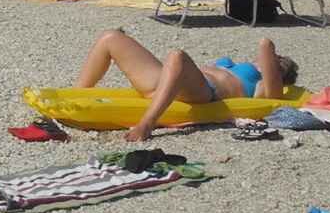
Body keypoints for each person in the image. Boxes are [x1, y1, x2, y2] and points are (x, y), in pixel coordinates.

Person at [76, 30, 299, 142]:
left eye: (277, 61)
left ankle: (147, 124)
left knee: (177, 56)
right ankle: (75, 95)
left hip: (202, 92)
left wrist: (274, 61)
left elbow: (265, 44)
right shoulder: (239, 66)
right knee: (111, 37)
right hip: (165, 81)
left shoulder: (265, 86)